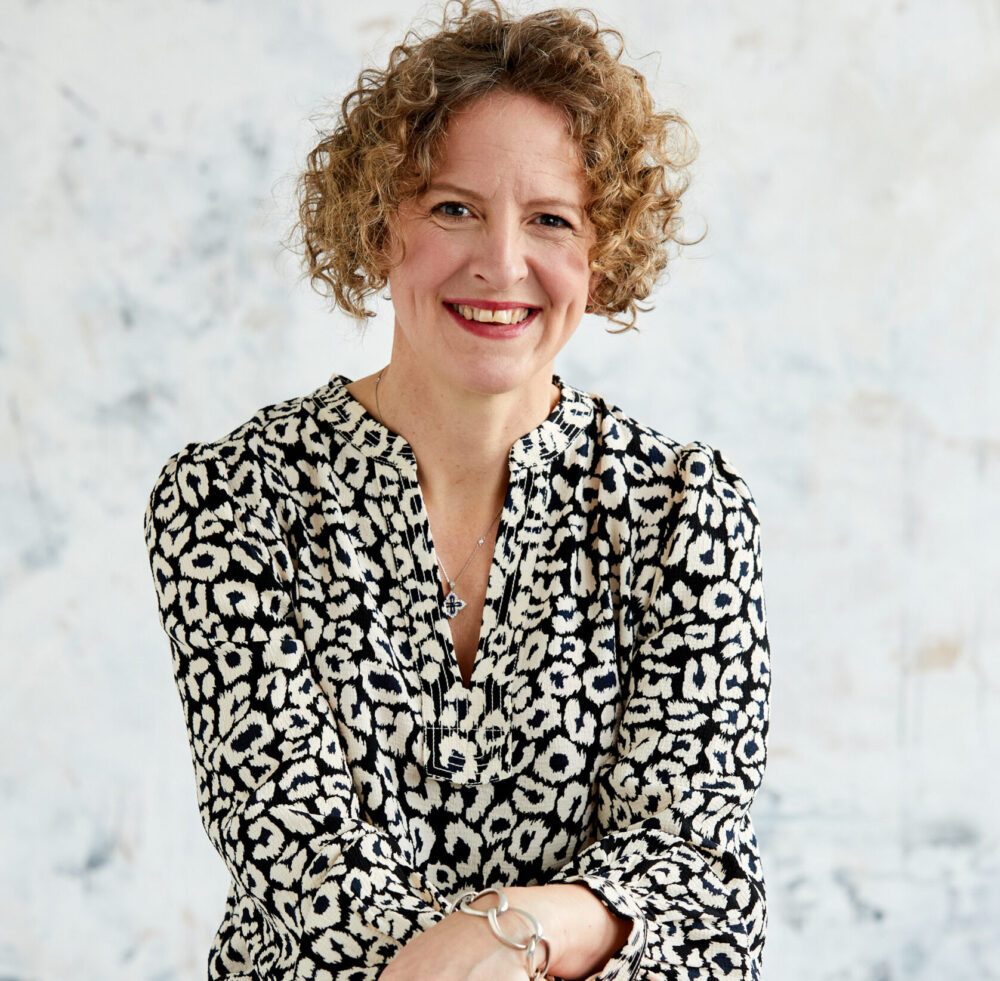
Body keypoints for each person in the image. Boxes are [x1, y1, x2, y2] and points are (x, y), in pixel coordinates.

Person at [143, 2, 771, 978]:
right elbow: (302, 872)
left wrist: (494, 935)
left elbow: (698, 888)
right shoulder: (233, 501)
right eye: (453, 207)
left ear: (601, 256)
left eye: (551, 219)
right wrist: (570, 923)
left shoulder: (685, 511)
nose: (501, 263)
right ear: (376, 217)